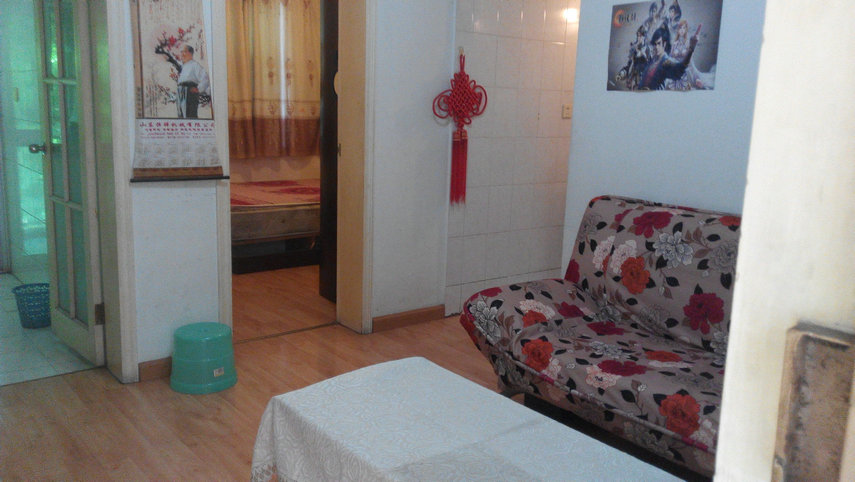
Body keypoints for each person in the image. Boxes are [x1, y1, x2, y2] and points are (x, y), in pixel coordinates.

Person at [155, 43, 210, 118]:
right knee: (181, 114)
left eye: (184, 52)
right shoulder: (183, 66)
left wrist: (198, 89)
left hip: (189, 91)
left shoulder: (195, 65)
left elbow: (205, 78)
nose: (182, 54)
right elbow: (173, 61)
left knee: (190, 114)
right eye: (182, 52)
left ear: (190, 53)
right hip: (180, 91)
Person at [638, 24, 698, 90]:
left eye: (659, 43)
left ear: (664, 44)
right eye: (655, 44)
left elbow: (680, 68)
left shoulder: (666, 62)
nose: (656, 47)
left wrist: (691, 49)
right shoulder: (653, 60)